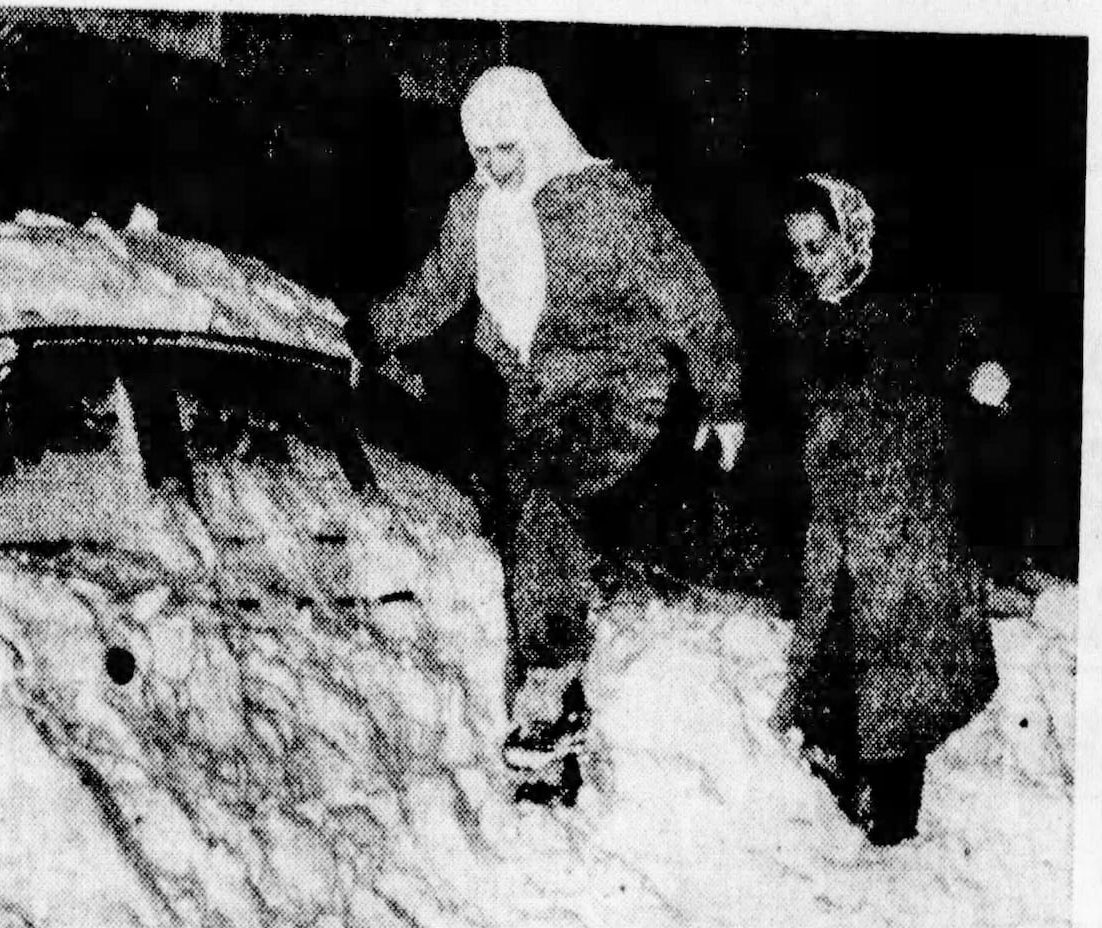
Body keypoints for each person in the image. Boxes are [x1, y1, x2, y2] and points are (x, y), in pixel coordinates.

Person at [348, 66, 744, 806]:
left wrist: (725, 399)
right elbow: (439, 288)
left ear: (537, 131)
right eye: (482, 151)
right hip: (533, 401)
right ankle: (549, 745)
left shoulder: (605, 203)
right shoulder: (474, 211)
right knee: (528, 543)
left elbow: (686, 295)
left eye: (507, 147)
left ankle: (549, 687)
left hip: (618, 389)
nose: (496, 165)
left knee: (548, 502)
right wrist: (369, 333)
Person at [768, 175, 1007, 845]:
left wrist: (983, 370)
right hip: (841, 525)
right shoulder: (797, 315)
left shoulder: (903, 306)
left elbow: (958, 338)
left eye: (817, 247)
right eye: (797, 250)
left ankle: (894, 827)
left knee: (901, 668)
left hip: (907, 524)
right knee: (834, 658)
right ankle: (843, 781)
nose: (807, 264)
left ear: (851, 238)